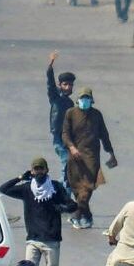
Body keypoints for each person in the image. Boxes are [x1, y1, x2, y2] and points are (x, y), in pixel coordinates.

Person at [0, 158, 78, 266]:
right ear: (31, 171)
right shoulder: (27, 189)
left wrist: (62, 208)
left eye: (41, 169)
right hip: (33, 240)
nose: (39, 172)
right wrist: (20, 177)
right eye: (36, 169)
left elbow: (73, 205)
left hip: (52, 241)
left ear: (47, 170)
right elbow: (3, 189)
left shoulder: (55, 188)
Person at [62, 86, 117, 229]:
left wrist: (111, 153)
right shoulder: (70, 113)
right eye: (82, 98)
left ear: (91, 100)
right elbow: (65, 134)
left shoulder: (97, 115)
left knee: (87, 188)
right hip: (74, 157)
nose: (84, 101)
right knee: (76, 187)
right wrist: (72, 148)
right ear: (77, 100)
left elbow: (104, 135)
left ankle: (76, 215)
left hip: (91, 157)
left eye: (87, 98)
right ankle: (86, 215)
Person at [45, 51, 75, 180]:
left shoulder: (70, 103)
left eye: (70, 84)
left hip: (68, 138)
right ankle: (65, 192)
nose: (68, 87)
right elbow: (50, 83)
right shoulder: (55, 97)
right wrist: (50, 65)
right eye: (65, 84)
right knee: (67, 163)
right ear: (60, 85)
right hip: (58, 137)